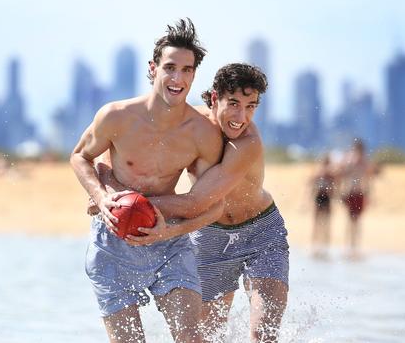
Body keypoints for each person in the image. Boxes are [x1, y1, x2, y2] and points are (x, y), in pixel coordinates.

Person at [95, 63, 289, 342]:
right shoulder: (188, 126)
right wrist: (107, 192)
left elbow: (195, 202)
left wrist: (128, 203)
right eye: (233, 103)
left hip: (261, 232)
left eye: (251, 106)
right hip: (209, 235)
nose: (241, 116)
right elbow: (119, 147)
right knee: (206, 337)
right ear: (214, 99)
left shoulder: (248, 143)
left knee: (264, 334)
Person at [70, 18, 224, 343]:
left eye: (186, 70)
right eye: (170, 67)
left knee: (191, 338)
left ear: (194, 75)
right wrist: (100, 196)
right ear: (153, 68)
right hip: (112, 245)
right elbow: (79, 156)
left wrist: (173, 230)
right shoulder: (116, 116)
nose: (177, 78)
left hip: (169, 242)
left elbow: (213, 204)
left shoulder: (203, 134)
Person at [336, 138, 378, 258]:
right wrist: (341, 192)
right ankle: (348, 247)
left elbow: (369, 179)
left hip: (360, 193)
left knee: (357, 221)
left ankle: (355, 247)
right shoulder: (350, 161)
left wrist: (370, 195)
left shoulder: (364, 162)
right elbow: (342, 175)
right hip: (350, 192)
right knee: (350, 220)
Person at [310, 154, 336, 259]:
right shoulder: (320, 173)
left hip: (325, 198)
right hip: (320, 197)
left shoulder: (329, 175)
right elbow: (312, 185)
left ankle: (324, 247)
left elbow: (333, 188)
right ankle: (316, 246)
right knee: (318, 223)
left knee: (325, 223)